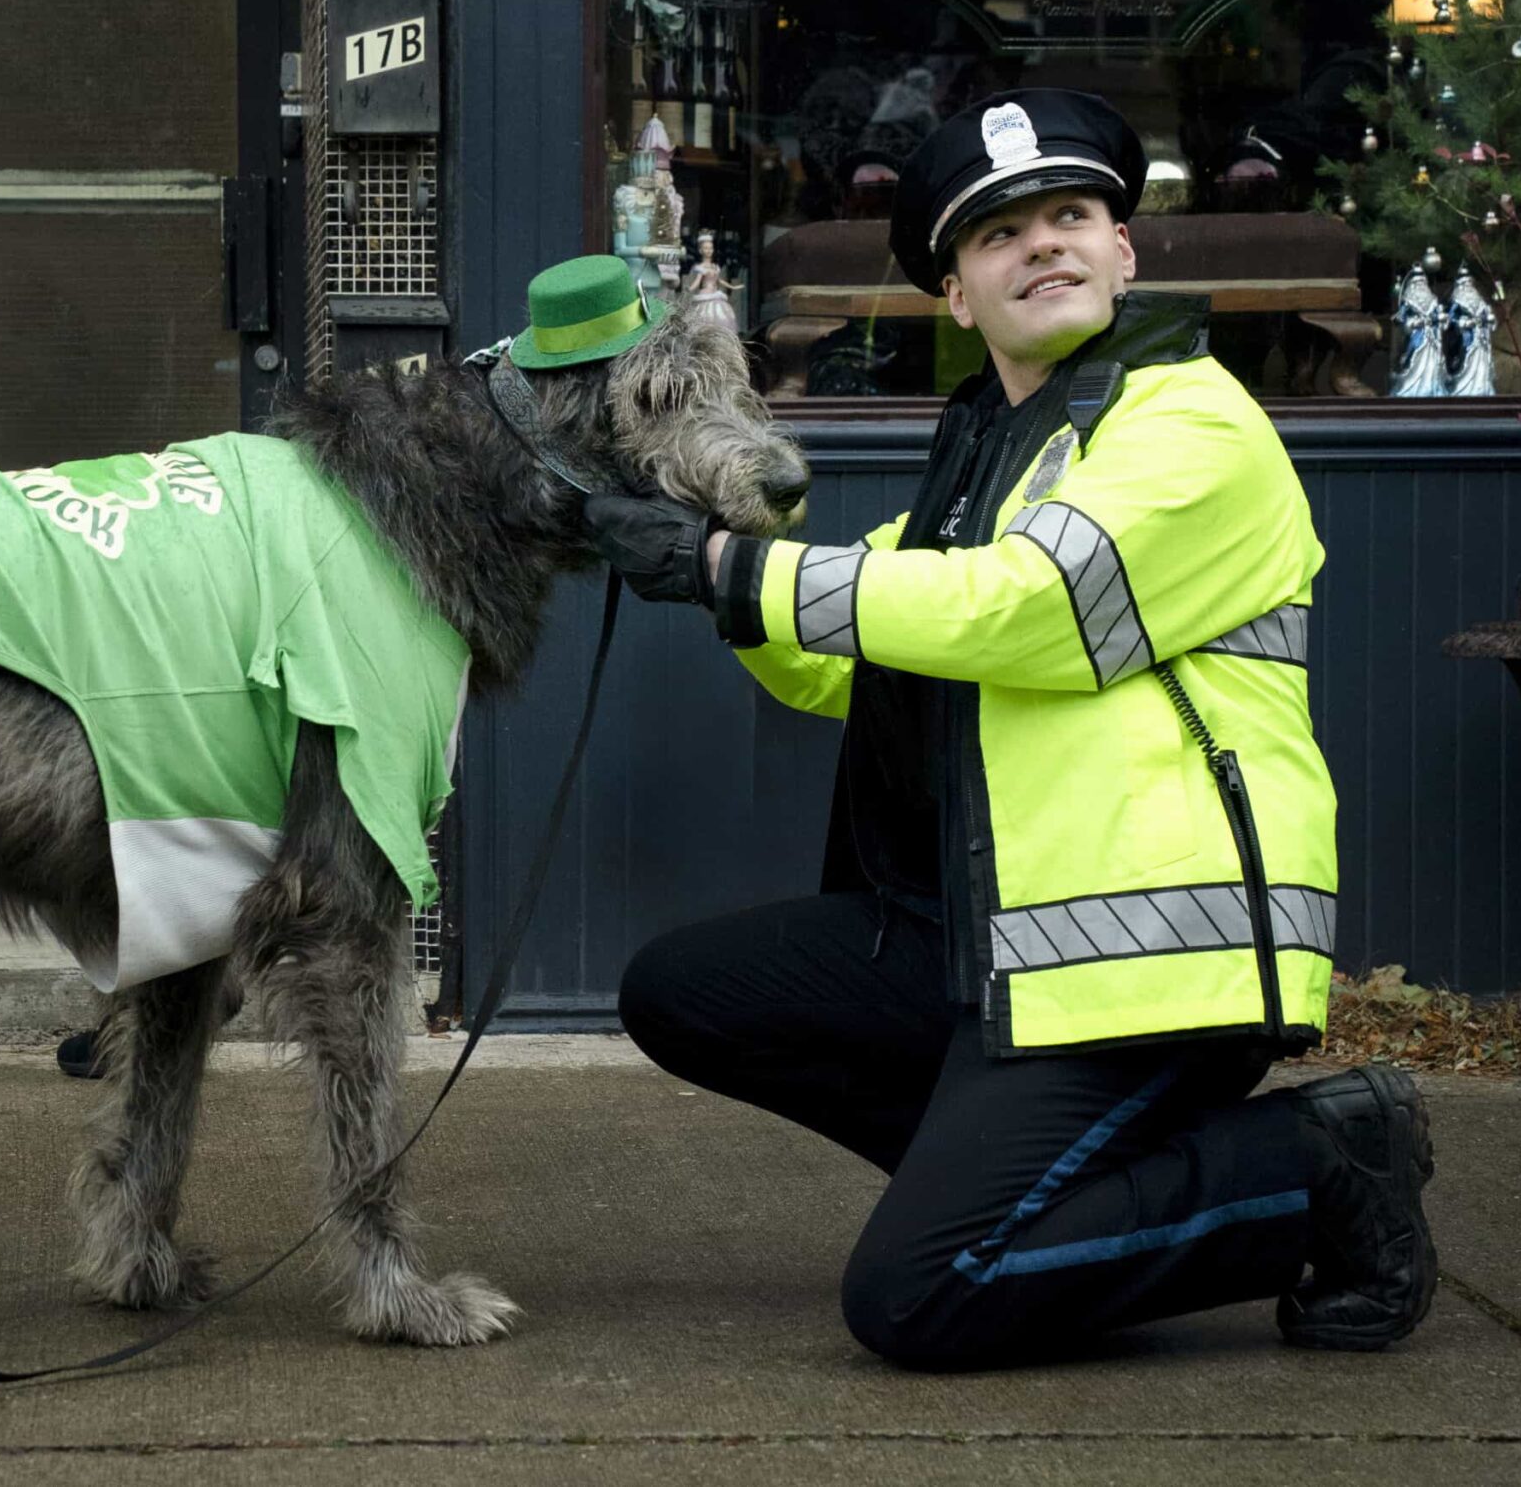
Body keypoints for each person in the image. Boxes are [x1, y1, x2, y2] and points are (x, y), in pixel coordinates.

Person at [581, 89, 1435, 1369]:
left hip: (1144, 956)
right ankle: (1057, 1186)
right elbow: (857, 656)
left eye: (1072, 215)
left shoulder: (1189, 420)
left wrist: (730, 574)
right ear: (958, 298)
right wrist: (705, 558)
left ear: (1124, 252)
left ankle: (1313, 1162)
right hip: (995, 944)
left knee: (920, 1297)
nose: (1044, 242)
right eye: (1000, 235)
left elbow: (1031, 608)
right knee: (685, 994)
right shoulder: (990, 452)